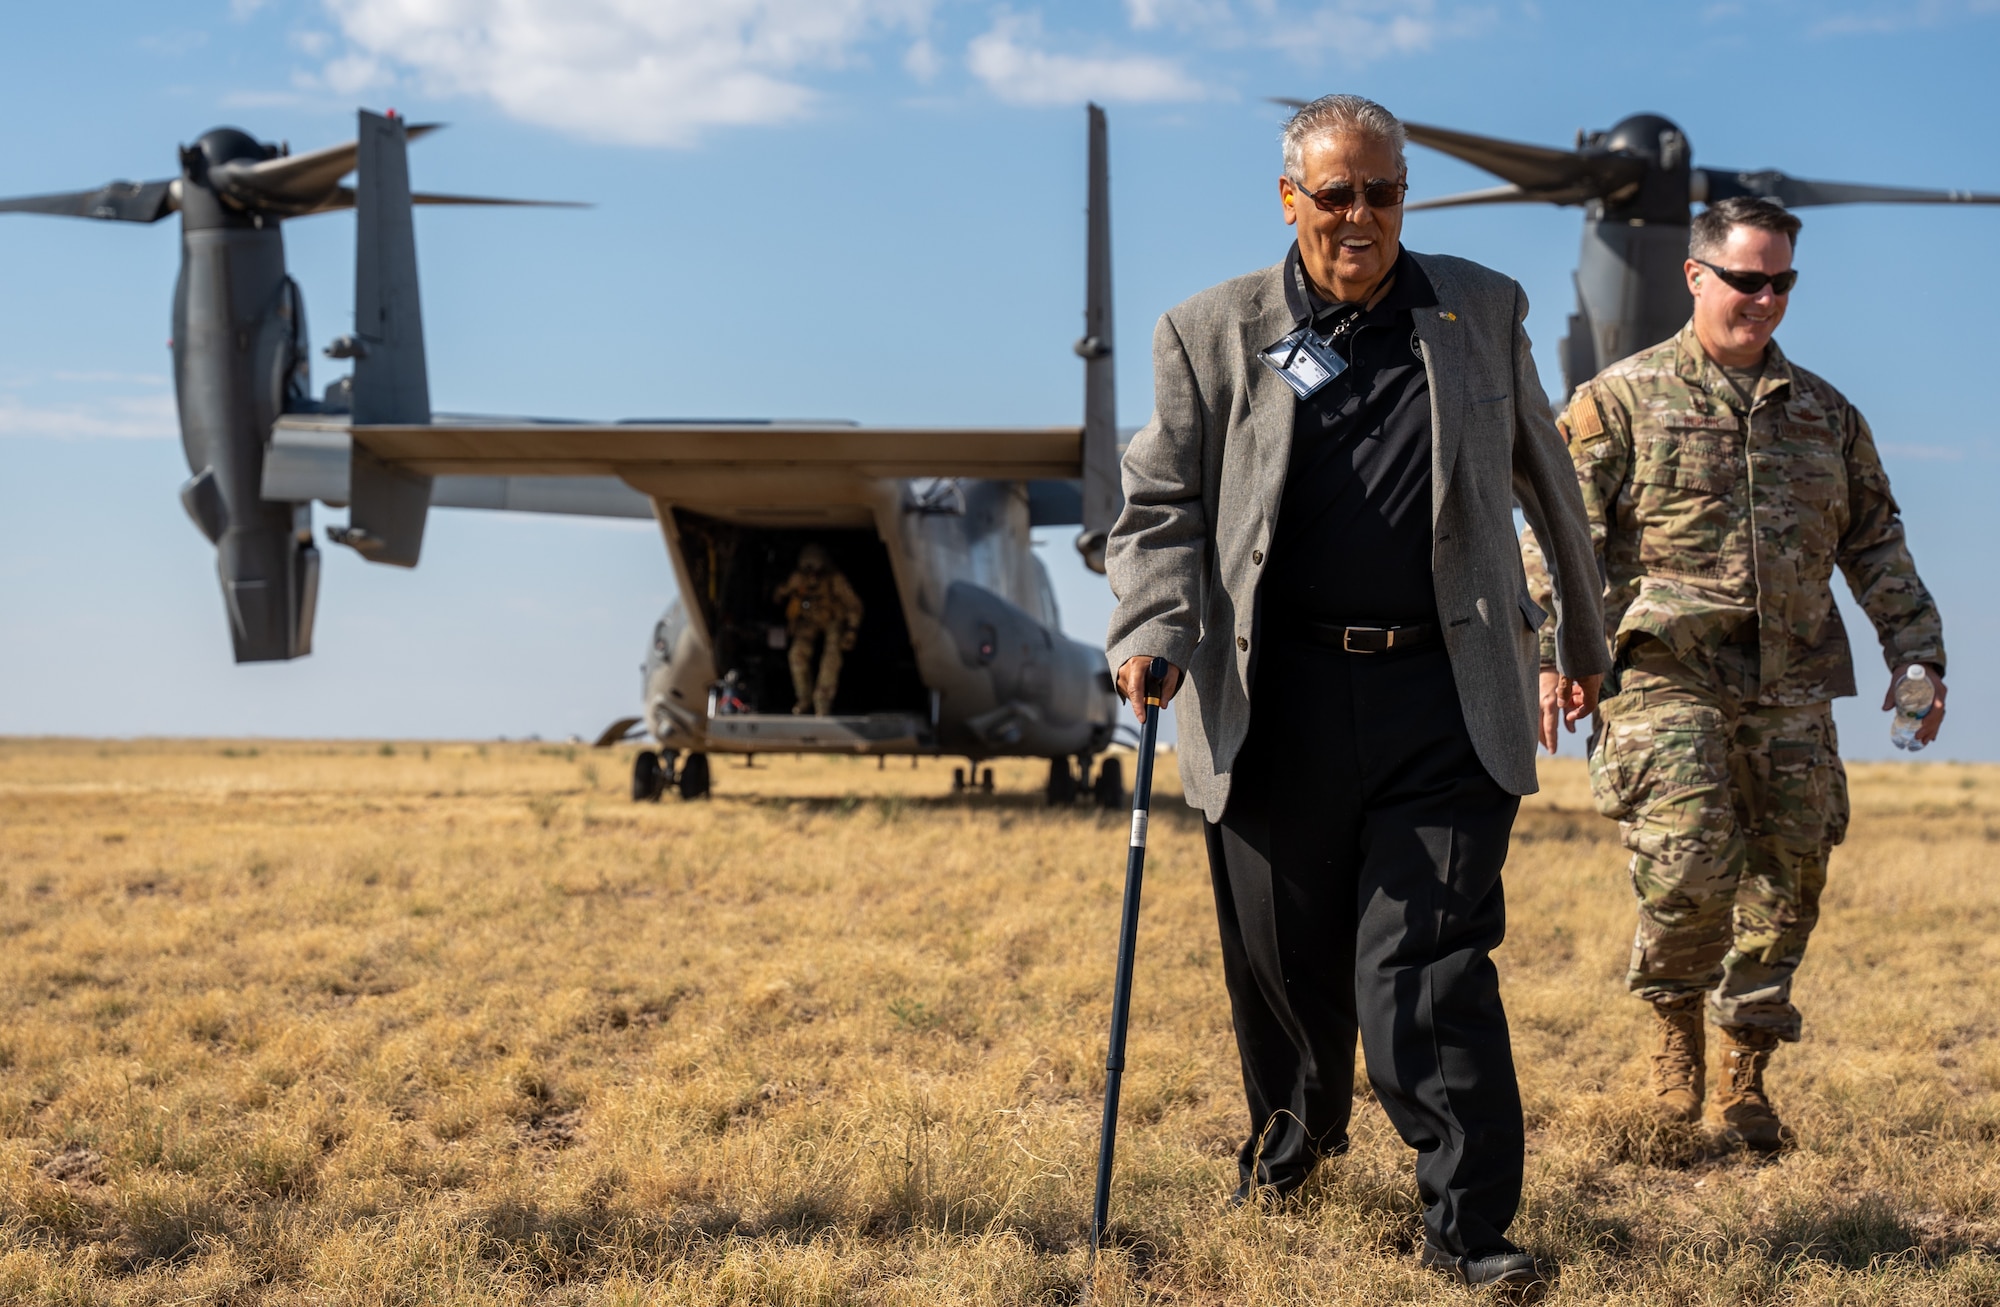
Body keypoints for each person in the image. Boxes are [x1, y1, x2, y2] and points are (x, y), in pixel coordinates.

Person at [1104, 94, 1608, 1294]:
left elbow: (1545, 472)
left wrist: (1579, 633)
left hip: (1441, 691)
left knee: (1422, 966)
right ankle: (1295, 1149)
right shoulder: (1209, 330)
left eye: (1381, 192)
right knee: (1285, 964)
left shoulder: (1476, 308)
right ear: (1289, 199)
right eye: (1334, 194)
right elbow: (1159, 502)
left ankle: (1468, 1226)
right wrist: (1151, 626)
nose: (1360, 216)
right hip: (1272, 696)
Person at [1524, 195, 1946, 1151]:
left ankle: (1743, 1073)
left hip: (1794, 681)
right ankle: (1672, 1038)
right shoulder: (1616, 401)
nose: (1765, 299)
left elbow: (1876, 542)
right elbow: (1557, 540)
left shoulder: (1829, 416)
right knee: (1689, 861)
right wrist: (1557, 652)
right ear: (1696, 276)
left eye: (1781, 281)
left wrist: (1916, 652)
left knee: (1791, 874)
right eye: (1747, 279)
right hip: (1666, 672)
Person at [774, 544, 863, 716]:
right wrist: (789, 588)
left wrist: (851, 630)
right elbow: (778, 596)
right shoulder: (799, 579)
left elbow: (854, 606)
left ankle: (822, 703)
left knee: (831, 658)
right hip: (808, 622)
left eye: (815, 568)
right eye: (807, 568)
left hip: (833, 621)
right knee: (796, 655)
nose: (812, 575)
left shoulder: (835, 580)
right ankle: (803, 698)